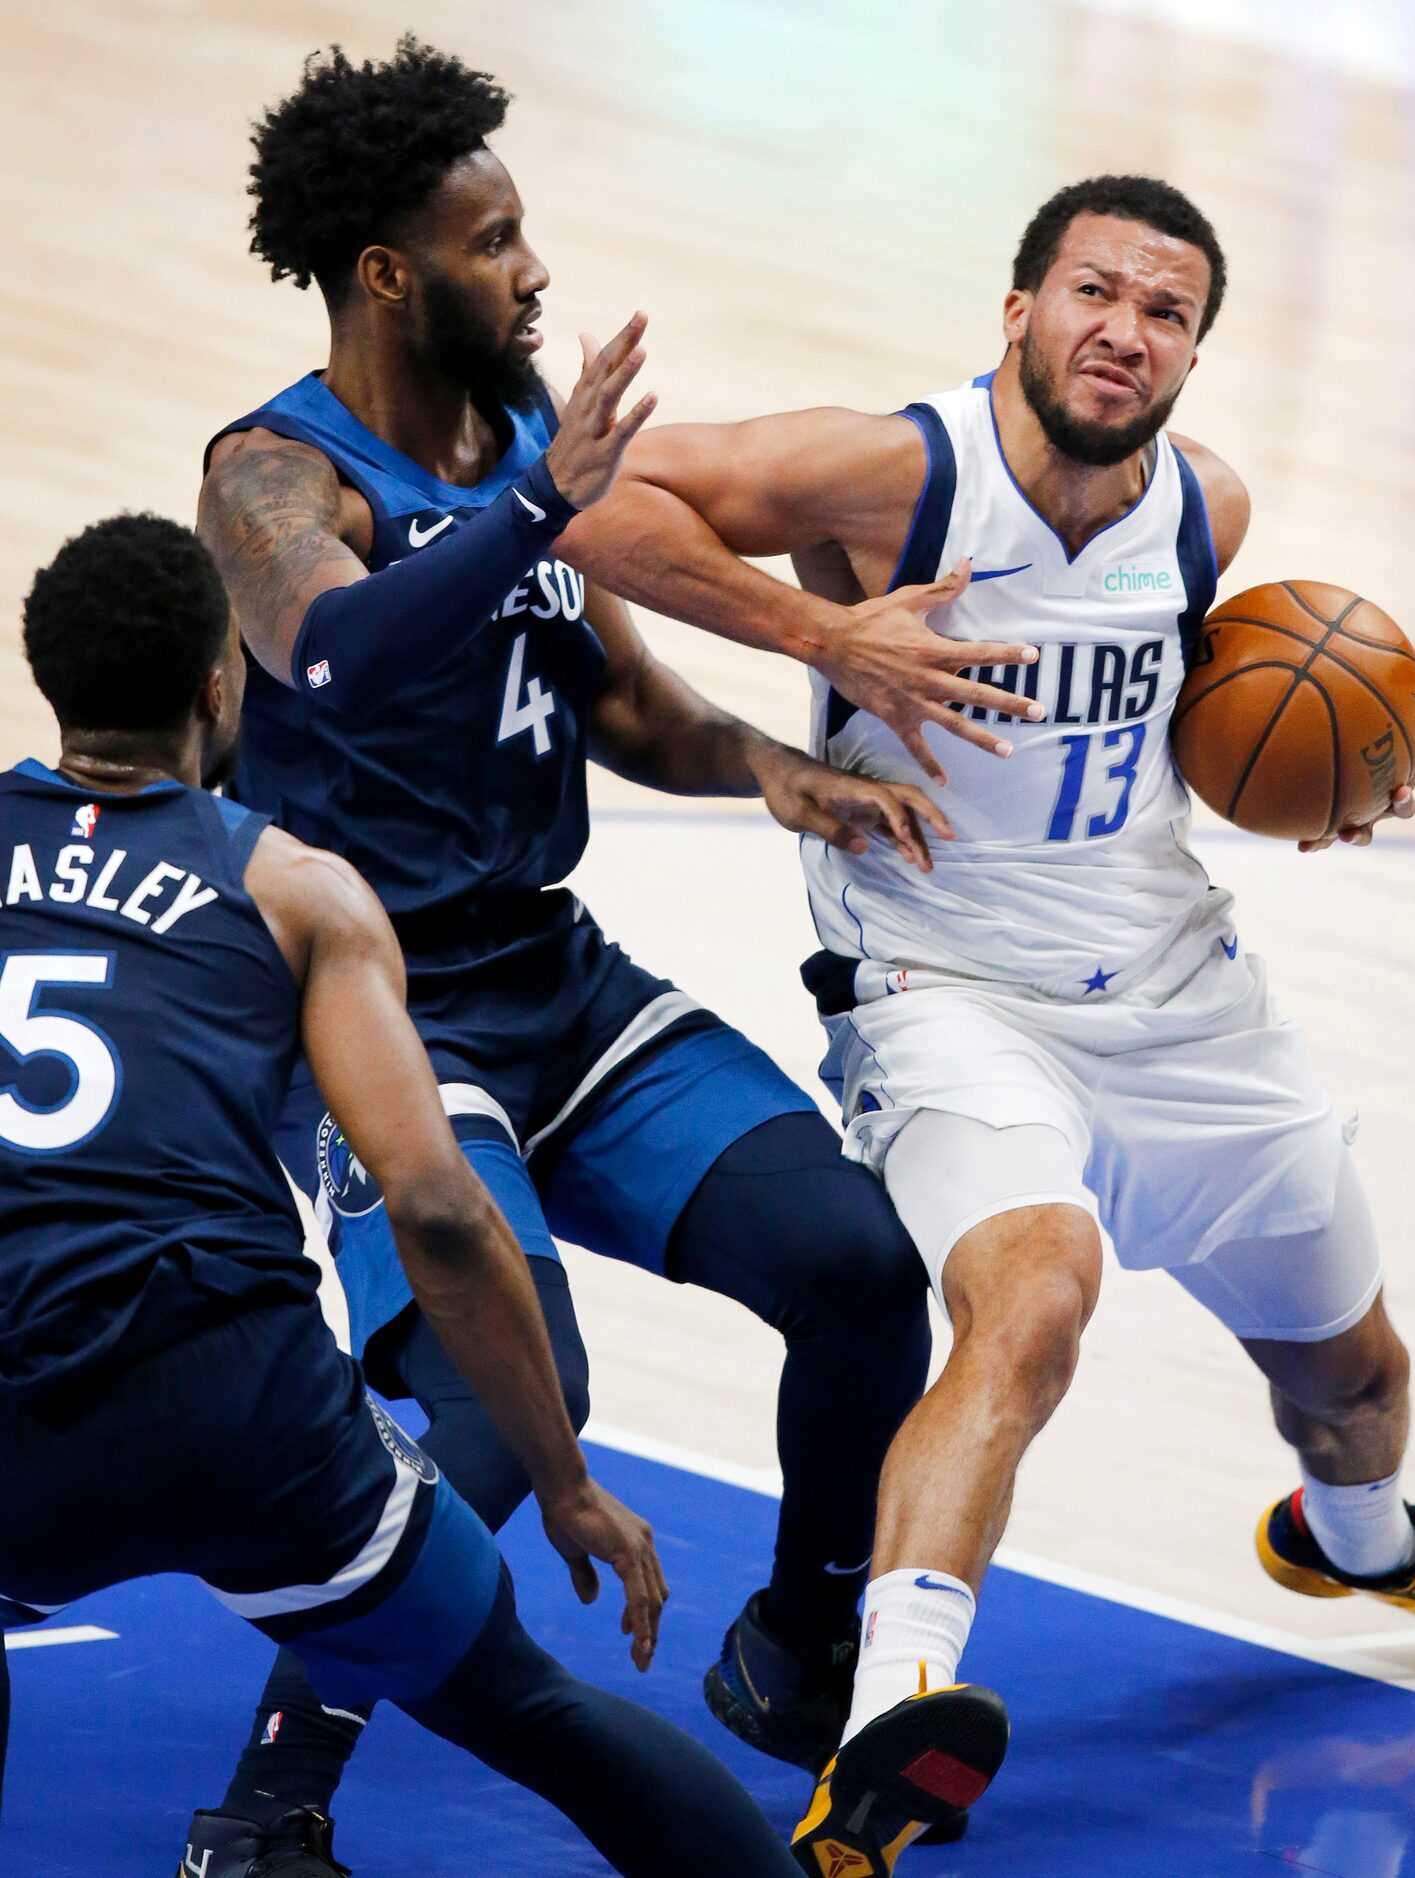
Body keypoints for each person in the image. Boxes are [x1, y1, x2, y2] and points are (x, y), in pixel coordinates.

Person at [567, 172, 1415, 1873]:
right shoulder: (896, 474)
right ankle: (890, 1721)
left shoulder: (1208, 509)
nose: (1124, 331)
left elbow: (1202, 716)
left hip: (1186, 1004)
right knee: (1033, 1297)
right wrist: (820, 633)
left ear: (1197, 345)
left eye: (1166, 309)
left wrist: (1345, 778)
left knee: (1355, 1381)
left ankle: (1361, 1538)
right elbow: (593, 498)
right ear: (1019, 309)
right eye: (1094, 292)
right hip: (946, 997)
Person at [189, 40, 1016, 1869]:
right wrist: (534, 509)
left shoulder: (513, 454)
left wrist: (770, 766)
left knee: (858, 1261)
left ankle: (799, 1650)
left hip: (556, 977)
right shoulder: (270, 476)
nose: (534, 268)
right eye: (494, 240)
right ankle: (264, 1810)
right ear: (389, 273)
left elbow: (623, 702)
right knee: (500, 1388)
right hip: (372, 1005)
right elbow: (338, 659)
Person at [0, 513, 808, 1878]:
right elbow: (433, 1206)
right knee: (524, 1703)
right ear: (219, 687)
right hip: (230, 1400)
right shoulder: (292, 885)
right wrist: (563, 1479)